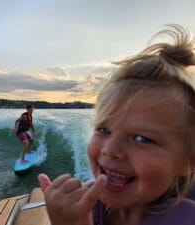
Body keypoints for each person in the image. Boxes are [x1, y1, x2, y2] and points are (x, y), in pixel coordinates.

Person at [38, 24, 195, 225]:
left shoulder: (185, 219)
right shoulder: (89, 202)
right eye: (103, 130)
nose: (110, 150)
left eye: (141, 138)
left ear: (188, 162)